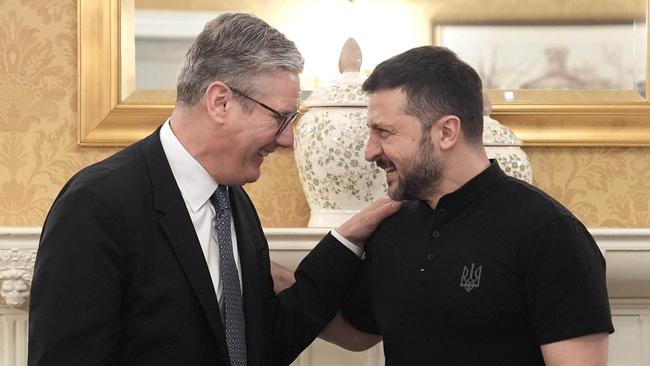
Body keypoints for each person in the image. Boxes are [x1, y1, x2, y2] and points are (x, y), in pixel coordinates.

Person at [28, 13, 401, 366]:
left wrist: (344, 240)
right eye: (281, 118)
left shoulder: (233, 202)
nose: (288, 140)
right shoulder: (96, 205)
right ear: (220, 101)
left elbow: (260, 346)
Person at [327, 46, 614, 365]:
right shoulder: (393, 225)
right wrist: (270, 277)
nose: (369, 152)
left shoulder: (550, 233)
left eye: (384, 132)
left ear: (447, 132)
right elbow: (360, 332)